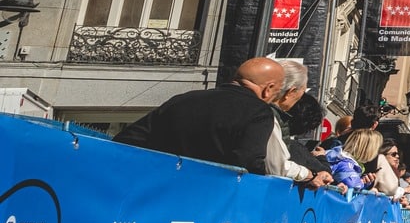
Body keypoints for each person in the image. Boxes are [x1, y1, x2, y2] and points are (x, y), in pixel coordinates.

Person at [115, 57, 330, 184]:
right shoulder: (259, 113)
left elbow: (127, 140)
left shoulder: (183, 100)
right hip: (212, 208)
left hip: (158, 190)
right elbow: (255, 164)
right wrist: (308, 175)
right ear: (268, 89)